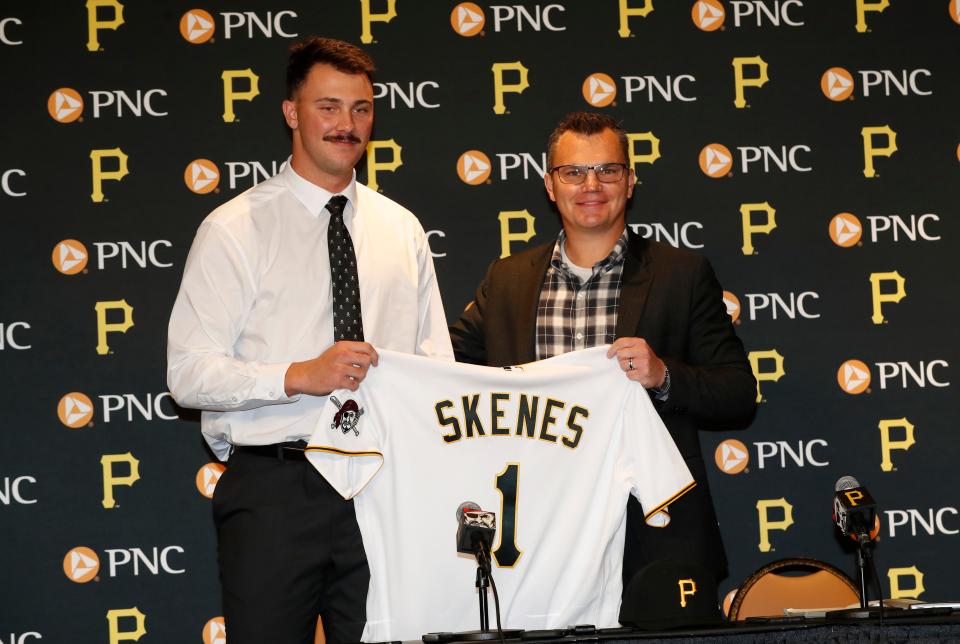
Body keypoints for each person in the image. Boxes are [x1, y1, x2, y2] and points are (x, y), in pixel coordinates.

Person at [167, 37, 452, 644]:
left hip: (385, 484)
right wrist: (299, 374)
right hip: (275, 488)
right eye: (328, 107)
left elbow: (437, 370)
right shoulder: (235, 229)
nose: (347, 125)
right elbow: (188, 374)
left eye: (361, 108)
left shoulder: (402, 230)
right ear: (292, 112)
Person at [449, 111, 756, 588]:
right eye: (573, 172)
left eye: (607, 170)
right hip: (535, 528)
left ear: (629, 181)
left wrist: (663, 375)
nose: (591, 184)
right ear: (551, 185)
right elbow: (443, 368)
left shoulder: (681, 274)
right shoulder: (507, 279)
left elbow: (738, 392)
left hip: (651, 534)